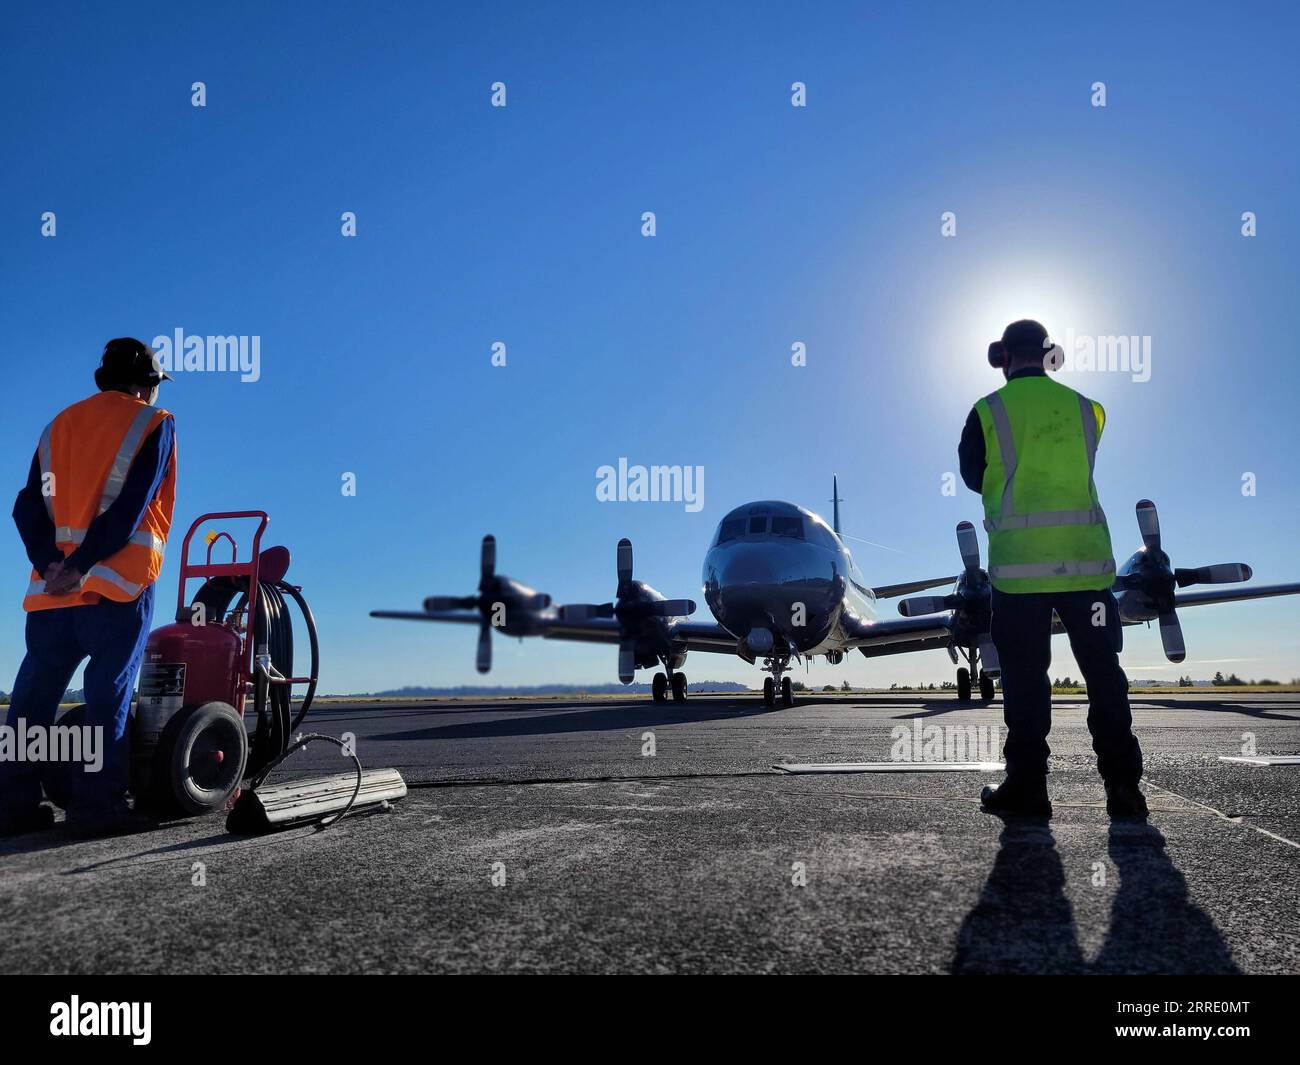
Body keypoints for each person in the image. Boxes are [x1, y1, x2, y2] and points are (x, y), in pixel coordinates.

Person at [958, 320, 1146, 819]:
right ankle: (1124, 789)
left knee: (1024, 680)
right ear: (1050, 355)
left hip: (1020, 574)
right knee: (1104, 675)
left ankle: (1029, 789)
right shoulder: (1089, 409)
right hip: (1087, 570)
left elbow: (973, 476)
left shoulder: (987, 411)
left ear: (1002, 358)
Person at [0, 339, 176, 837]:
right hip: (116, 587)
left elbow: (26, 506)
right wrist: (82, 563)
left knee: (33, 696)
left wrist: (50, 563)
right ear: (147, 385)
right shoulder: (153, 423)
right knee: (106, 692)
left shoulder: (59, 427)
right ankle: (97, 807)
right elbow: (131, 508)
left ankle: (10, 806)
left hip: (52, 593)